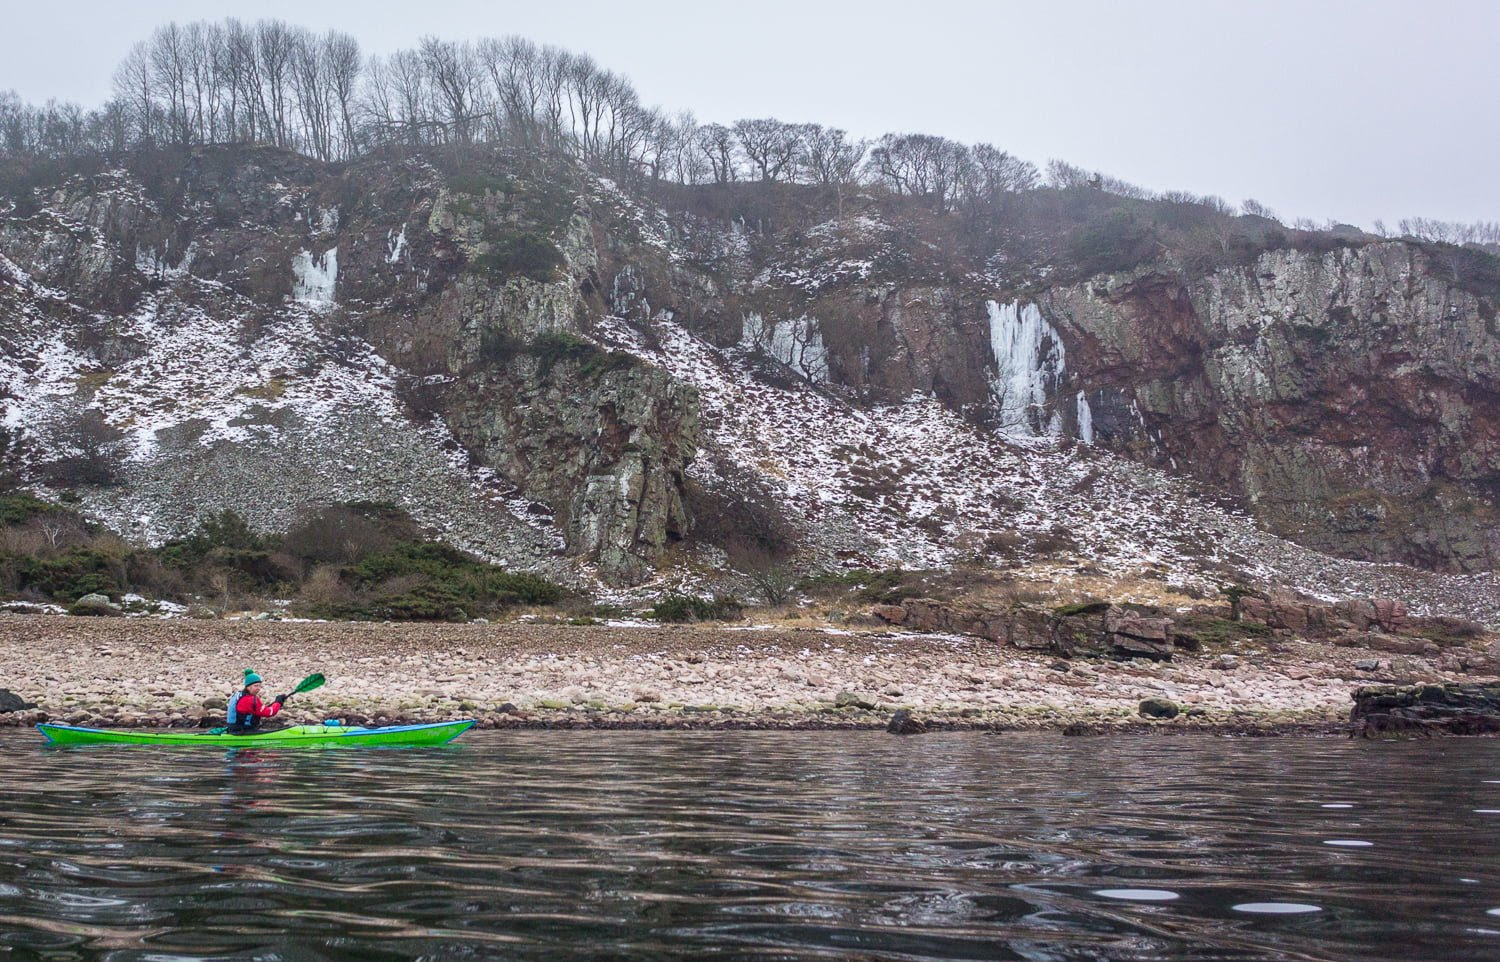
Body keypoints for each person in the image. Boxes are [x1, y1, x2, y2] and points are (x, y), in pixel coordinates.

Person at [226, 670, 290, 734]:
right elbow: (269, 712)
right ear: (248, 687)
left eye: (259, 686)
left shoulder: (239, 694)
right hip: (242, 731)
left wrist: (277, 702)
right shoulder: (249, 700)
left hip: (234, 728)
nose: (258, 688)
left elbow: (260, 709)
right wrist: (278, 702)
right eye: (256, 686)